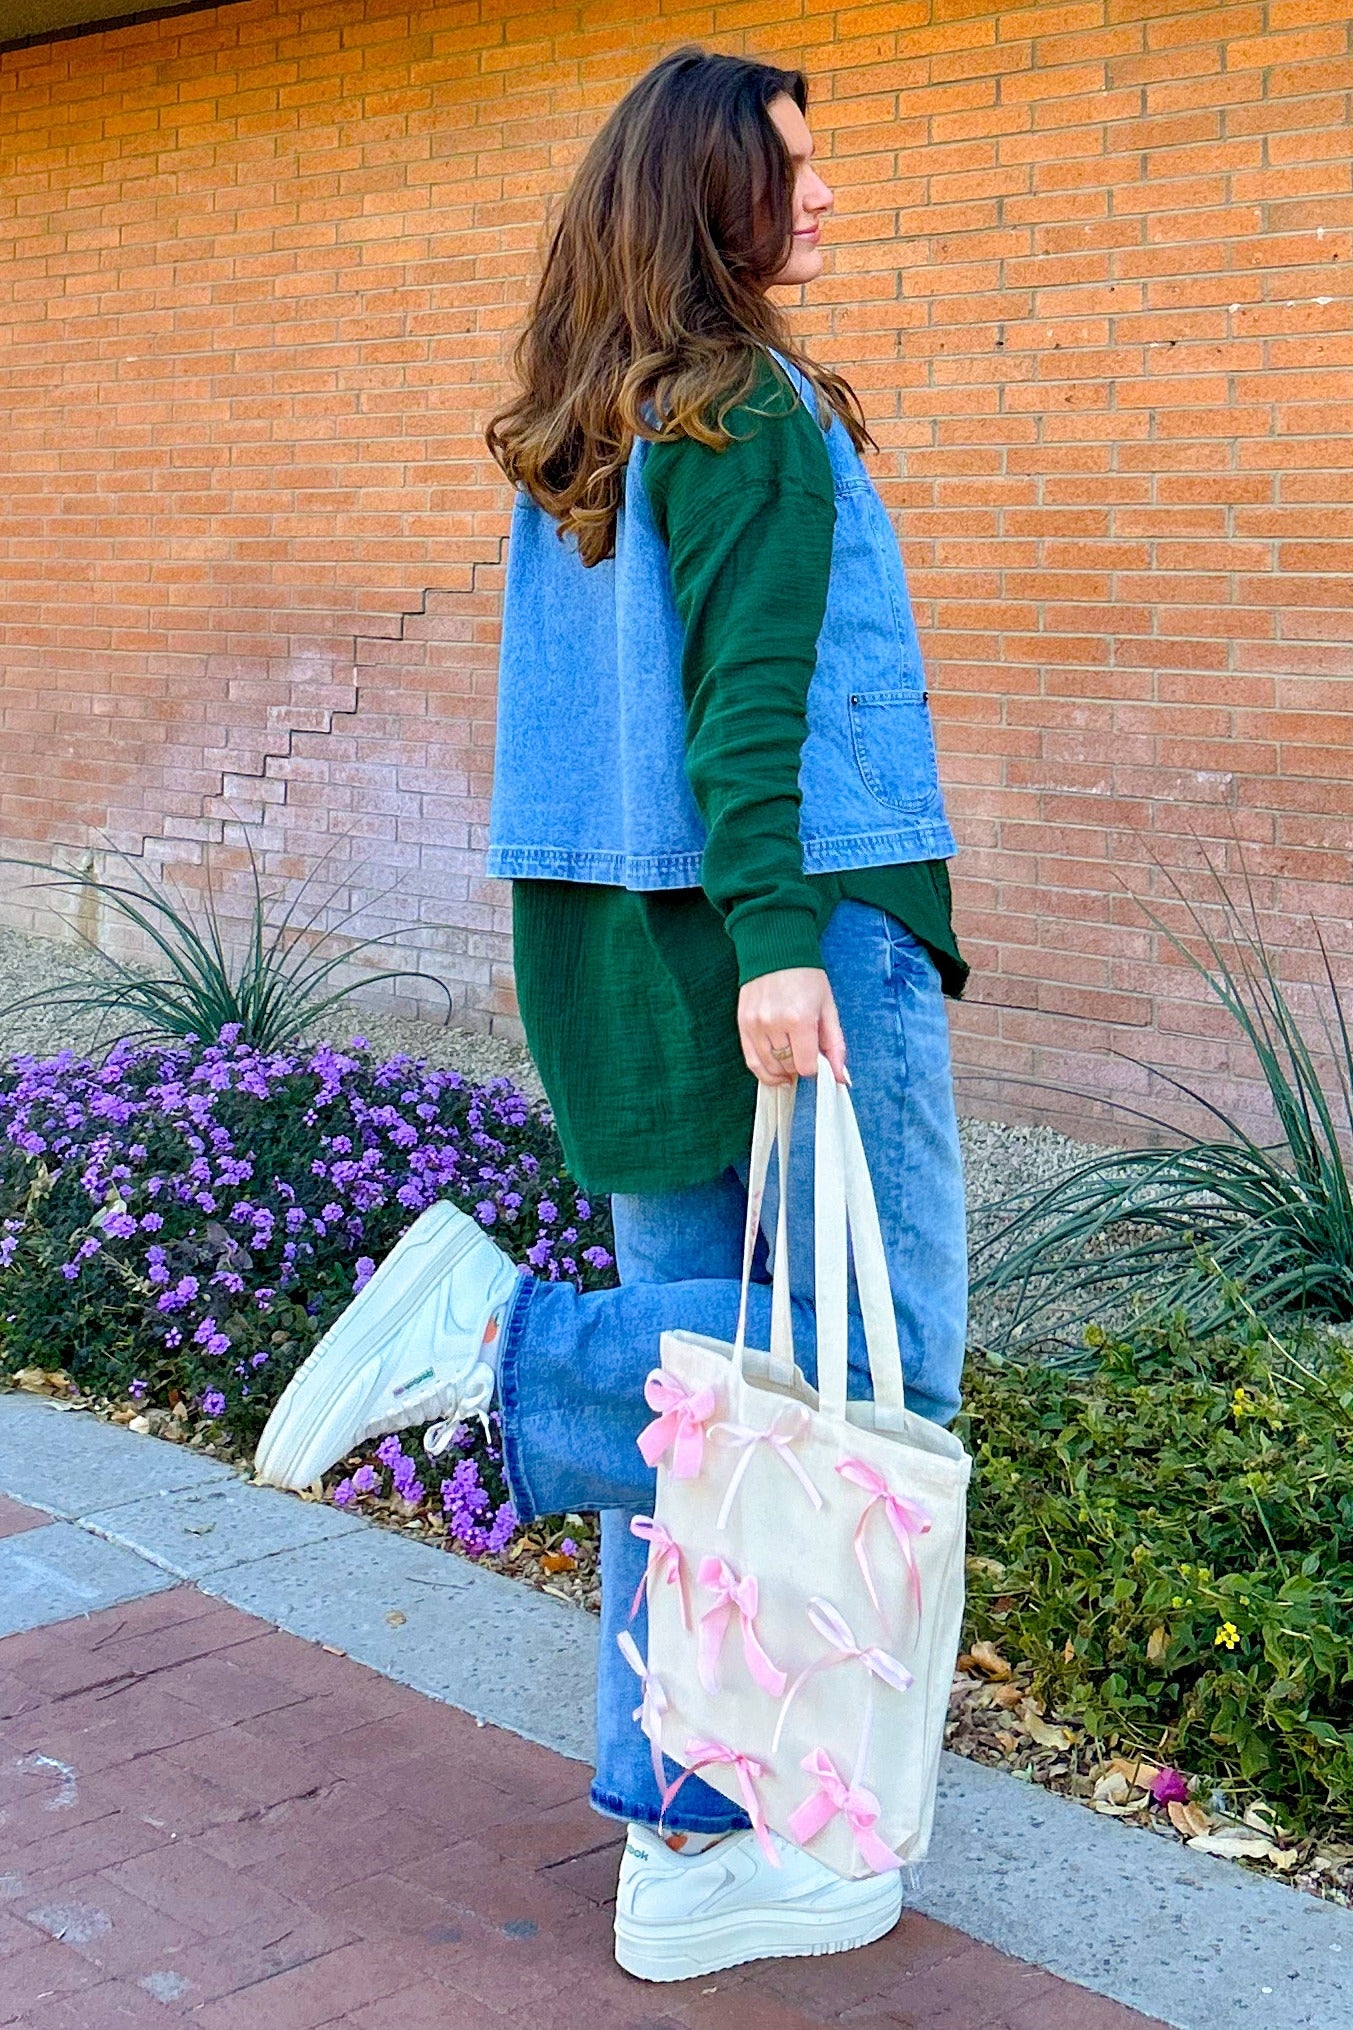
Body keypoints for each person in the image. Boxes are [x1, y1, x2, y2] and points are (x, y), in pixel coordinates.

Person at [255, 47, 968, 1985]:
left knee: (700, 1427)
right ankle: (497, 1337)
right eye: (790, 173)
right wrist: (781, 947)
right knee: (874, 1372)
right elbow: (747, 719)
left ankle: (681, 1840)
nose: (821, 200)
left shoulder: (596, 433)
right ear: (705, 198)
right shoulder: (747, 416)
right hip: (783, 951)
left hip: (618, 972)